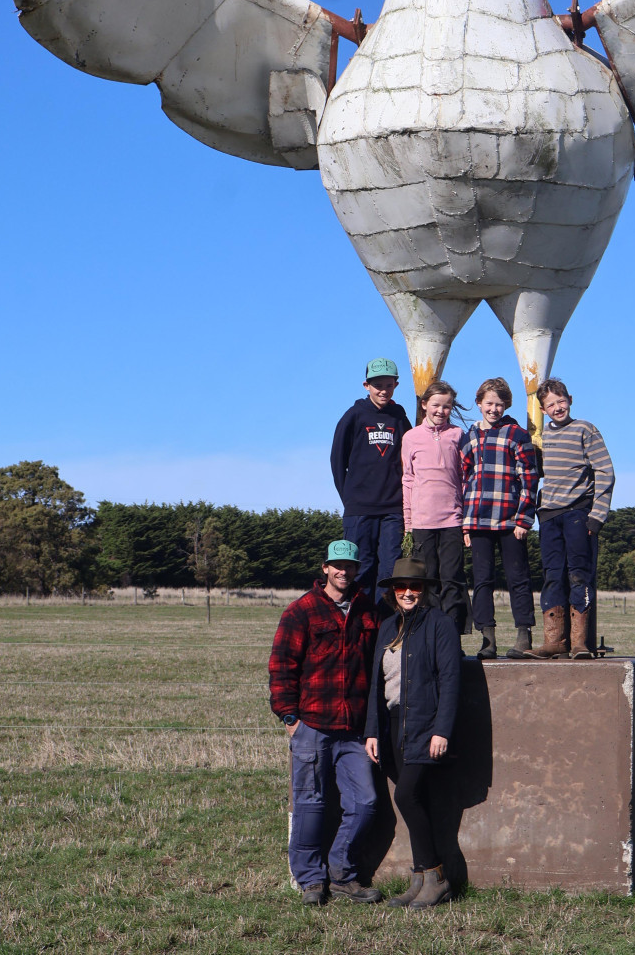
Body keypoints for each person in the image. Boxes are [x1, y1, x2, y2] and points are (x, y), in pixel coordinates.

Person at [267, 539, 383, 905]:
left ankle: (342, 873)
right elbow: (282, 665)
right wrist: (290, 718)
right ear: (325, 568)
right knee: (310, 804)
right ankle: (311, 880)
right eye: (337, 566)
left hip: (353, 730)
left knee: (365, 803)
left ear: (356, 568)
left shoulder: (368, 610)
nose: (343, 572)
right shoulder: (301, 610)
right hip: (312, 725)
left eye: (349, 566)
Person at [364, 556, 462, 908]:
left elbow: (451, 680)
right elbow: (378, 684)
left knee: (406, 796)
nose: (408, 592)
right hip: (393, 725)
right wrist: (372, 731)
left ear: (425, 591)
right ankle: (420, 879)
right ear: (392, 591)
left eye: (415, 586)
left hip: (425, 725)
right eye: (401, 587)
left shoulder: (440, 625)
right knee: (415, 799)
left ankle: (436, 877)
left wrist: (442, 730)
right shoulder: (388, 627)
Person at [530, 378, 613, 660]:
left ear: (570, 399)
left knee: (579, 574)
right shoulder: (542, 438)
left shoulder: (585, 429)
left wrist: (597, 516)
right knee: (552, 576)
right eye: (550, 404)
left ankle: (580, 642)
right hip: (549, 516)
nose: (557, 407)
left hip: (579, 512)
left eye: (561, 400)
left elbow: (605, 472)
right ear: (542, 409)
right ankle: (555, 640)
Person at [458, 377, 539, 660]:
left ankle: (523, 636)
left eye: (499, 404)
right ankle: (487, 638)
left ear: (506, 405)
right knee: (482, 580)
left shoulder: (517, 434)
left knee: (518, 578)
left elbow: (529, 477)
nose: (493, 409)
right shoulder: (468, 437)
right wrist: (465, 525)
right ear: (479, 403)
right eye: (489, 403)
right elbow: (464, 480)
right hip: (478, 520)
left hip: (510, 521)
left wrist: (524, 518)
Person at [330, 359, 411, 604]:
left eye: (389, 385)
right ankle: (361, 629)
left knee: (389, 572)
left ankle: (385, 632)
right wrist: (350, 499)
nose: (383, 390)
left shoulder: (399, 417)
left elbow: (409, 457)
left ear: (396, 385)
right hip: (360, 510)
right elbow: (337, 460)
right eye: (378, 385)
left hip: (392, 510)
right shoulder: (354, 415)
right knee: (360, 569)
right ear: (366, 385)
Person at [400, 380, 467, 634]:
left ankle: (451, 635)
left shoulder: (458, 435)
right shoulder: (411, 437)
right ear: (424, 404)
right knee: (428, 582)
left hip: (452, 520)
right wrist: (408, 524)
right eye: (436, 405)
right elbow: (408, 480)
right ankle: (429, 635)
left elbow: (465, 478)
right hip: (422, 523)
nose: (441, 411)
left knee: (452, 580)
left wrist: (464, 518)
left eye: (447, 406)